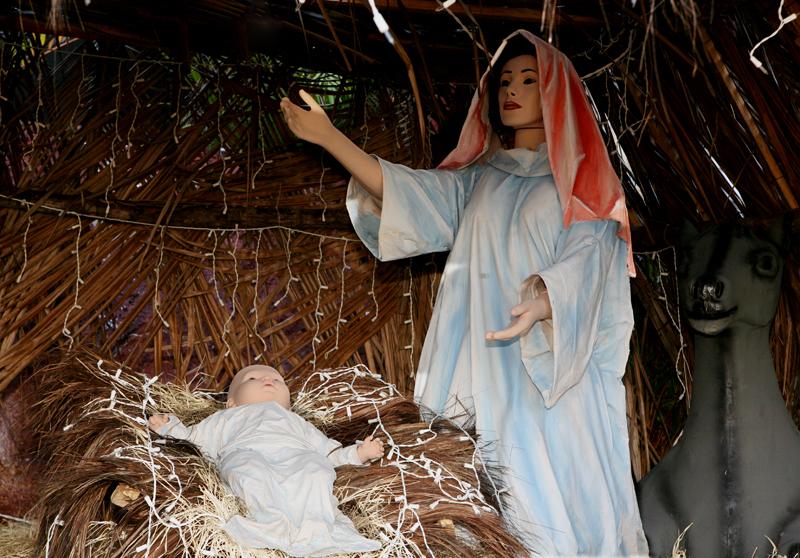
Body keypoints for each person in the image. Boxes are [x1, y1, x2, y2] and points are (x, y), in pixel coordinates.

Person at [281, 29, 647, 556]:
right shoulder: (480, 181)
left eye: (529, 79)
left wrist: (546, 301)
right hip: (473, 353)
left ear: (557, 93)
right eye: (505, 80)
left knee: (544, 481)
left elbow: (590, 260)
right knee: (469, 468)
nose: (512, 90)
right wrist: (331, 137)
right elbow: (406, 193)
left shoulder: (581, 187)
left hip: (546, 364)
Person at [148, 364, 384, 557]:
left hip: (298, 455)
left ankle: (318, 525)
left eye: (277, 379)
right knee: (249, 471)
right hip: (247, 451)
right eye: (252, 378)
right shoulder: (227, 416)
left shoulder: (295, 421)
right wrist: (170, 427)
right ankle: (270, 522)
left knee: (316, 471)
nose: (268, 380)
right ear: (232, 401)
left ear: (289, 404)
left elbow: (329, 454)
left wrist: (359, 453)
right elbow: (194, 439)